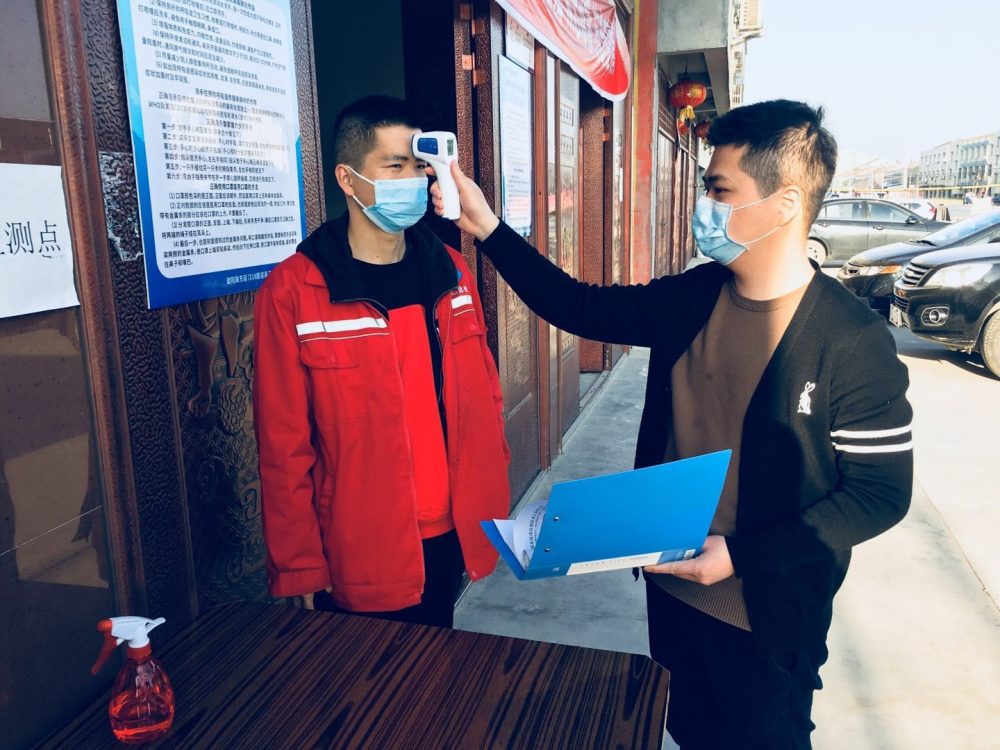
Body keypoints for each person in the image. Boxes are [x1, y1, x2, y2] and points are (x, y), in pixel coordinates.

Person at [430, 99, 913, 748]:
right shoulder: (695, 296)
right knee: (685, 730)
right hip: (672, 586)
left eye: (720, 189)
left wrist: (740, 556)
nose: (704, 205)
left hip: (765, 613)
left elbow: (880, 494)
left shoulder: (851, 340)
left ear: (786, 204)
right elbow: (576, 305)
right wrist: (487, 227)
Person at [253, 96, 510, 628]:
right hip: (361, 547)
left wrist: (490, 499)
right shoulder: (294, 290)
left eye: (418, 167)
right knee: (366, 678)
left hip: (453, 531)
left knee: (436, 664)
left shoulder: (452, 271)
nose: (412, 181)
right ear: (347, 179)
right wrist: (299, 564)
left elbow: (485, 391)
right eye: (394, 166)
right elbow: (282, 443)